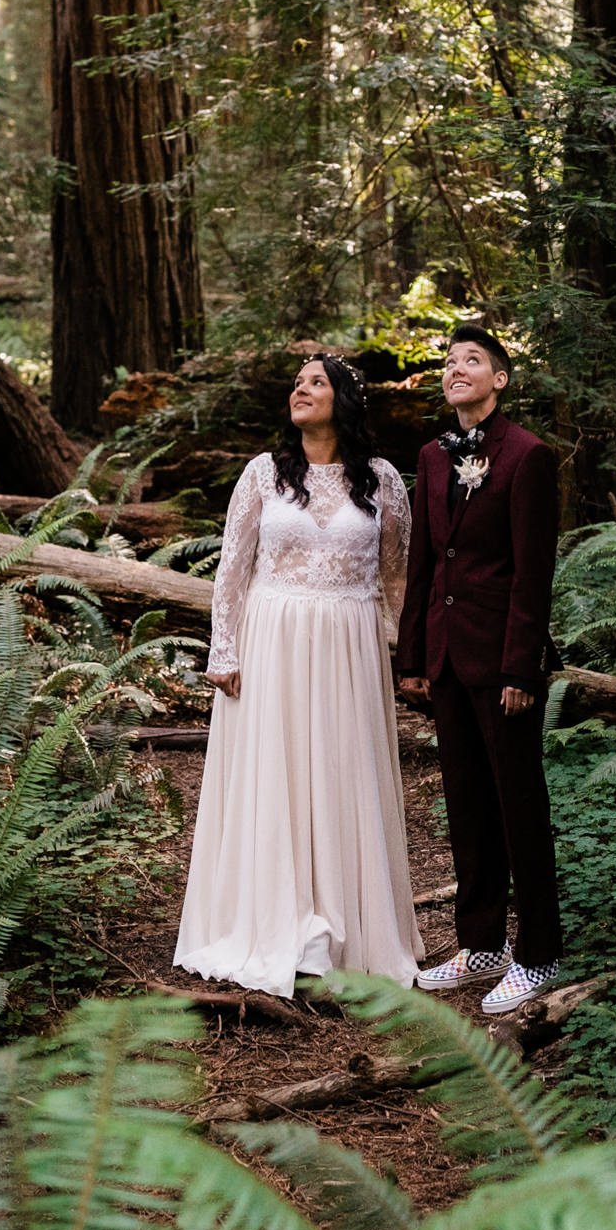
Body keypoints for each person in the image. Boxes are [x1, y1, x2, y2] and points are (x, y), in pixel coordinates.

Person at [174, 354, 424, 996]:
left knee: (345, 772)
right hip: (272, 640)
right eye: (296, 383)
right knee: (275, 774)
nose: (300, 390)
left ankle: (345, 929)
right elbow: (232, 569)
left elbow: (397, 575)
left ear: (343, 399)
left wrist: (410, 654)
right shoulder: (263, 473)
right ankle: (277, 922)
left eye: (315, 382)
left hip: (350, 644)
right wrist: (223, 651)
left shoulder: (382, 479)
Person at [397, 323, 566, 1015]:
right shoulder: (432, 457)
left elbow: (532, 575)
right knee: (465, 804)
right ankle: (483, 942)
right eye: (448, 361)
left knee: (517, 805)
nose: (455, 369)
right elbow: (423, 564)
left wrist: (521, 670)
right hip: (445, 655)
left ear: (500, 379)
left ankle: (540, 951)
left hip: (502, 662)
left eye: (472, 360)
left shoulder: (529, 457)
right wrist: (411, 657)